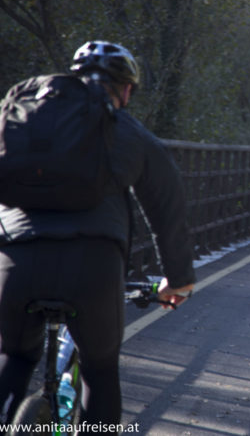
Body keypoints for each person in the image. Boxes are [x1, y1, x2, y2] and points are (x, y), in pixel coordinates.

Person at [0, 40, 196, 430]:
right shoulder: (126, 131)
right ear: (125, 89)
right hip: (92, 266)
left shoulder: (24, 119)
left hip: (16, 262)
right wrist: (179, 278)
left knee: (16, 357)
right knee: (99, 368)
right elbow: (167, 205)